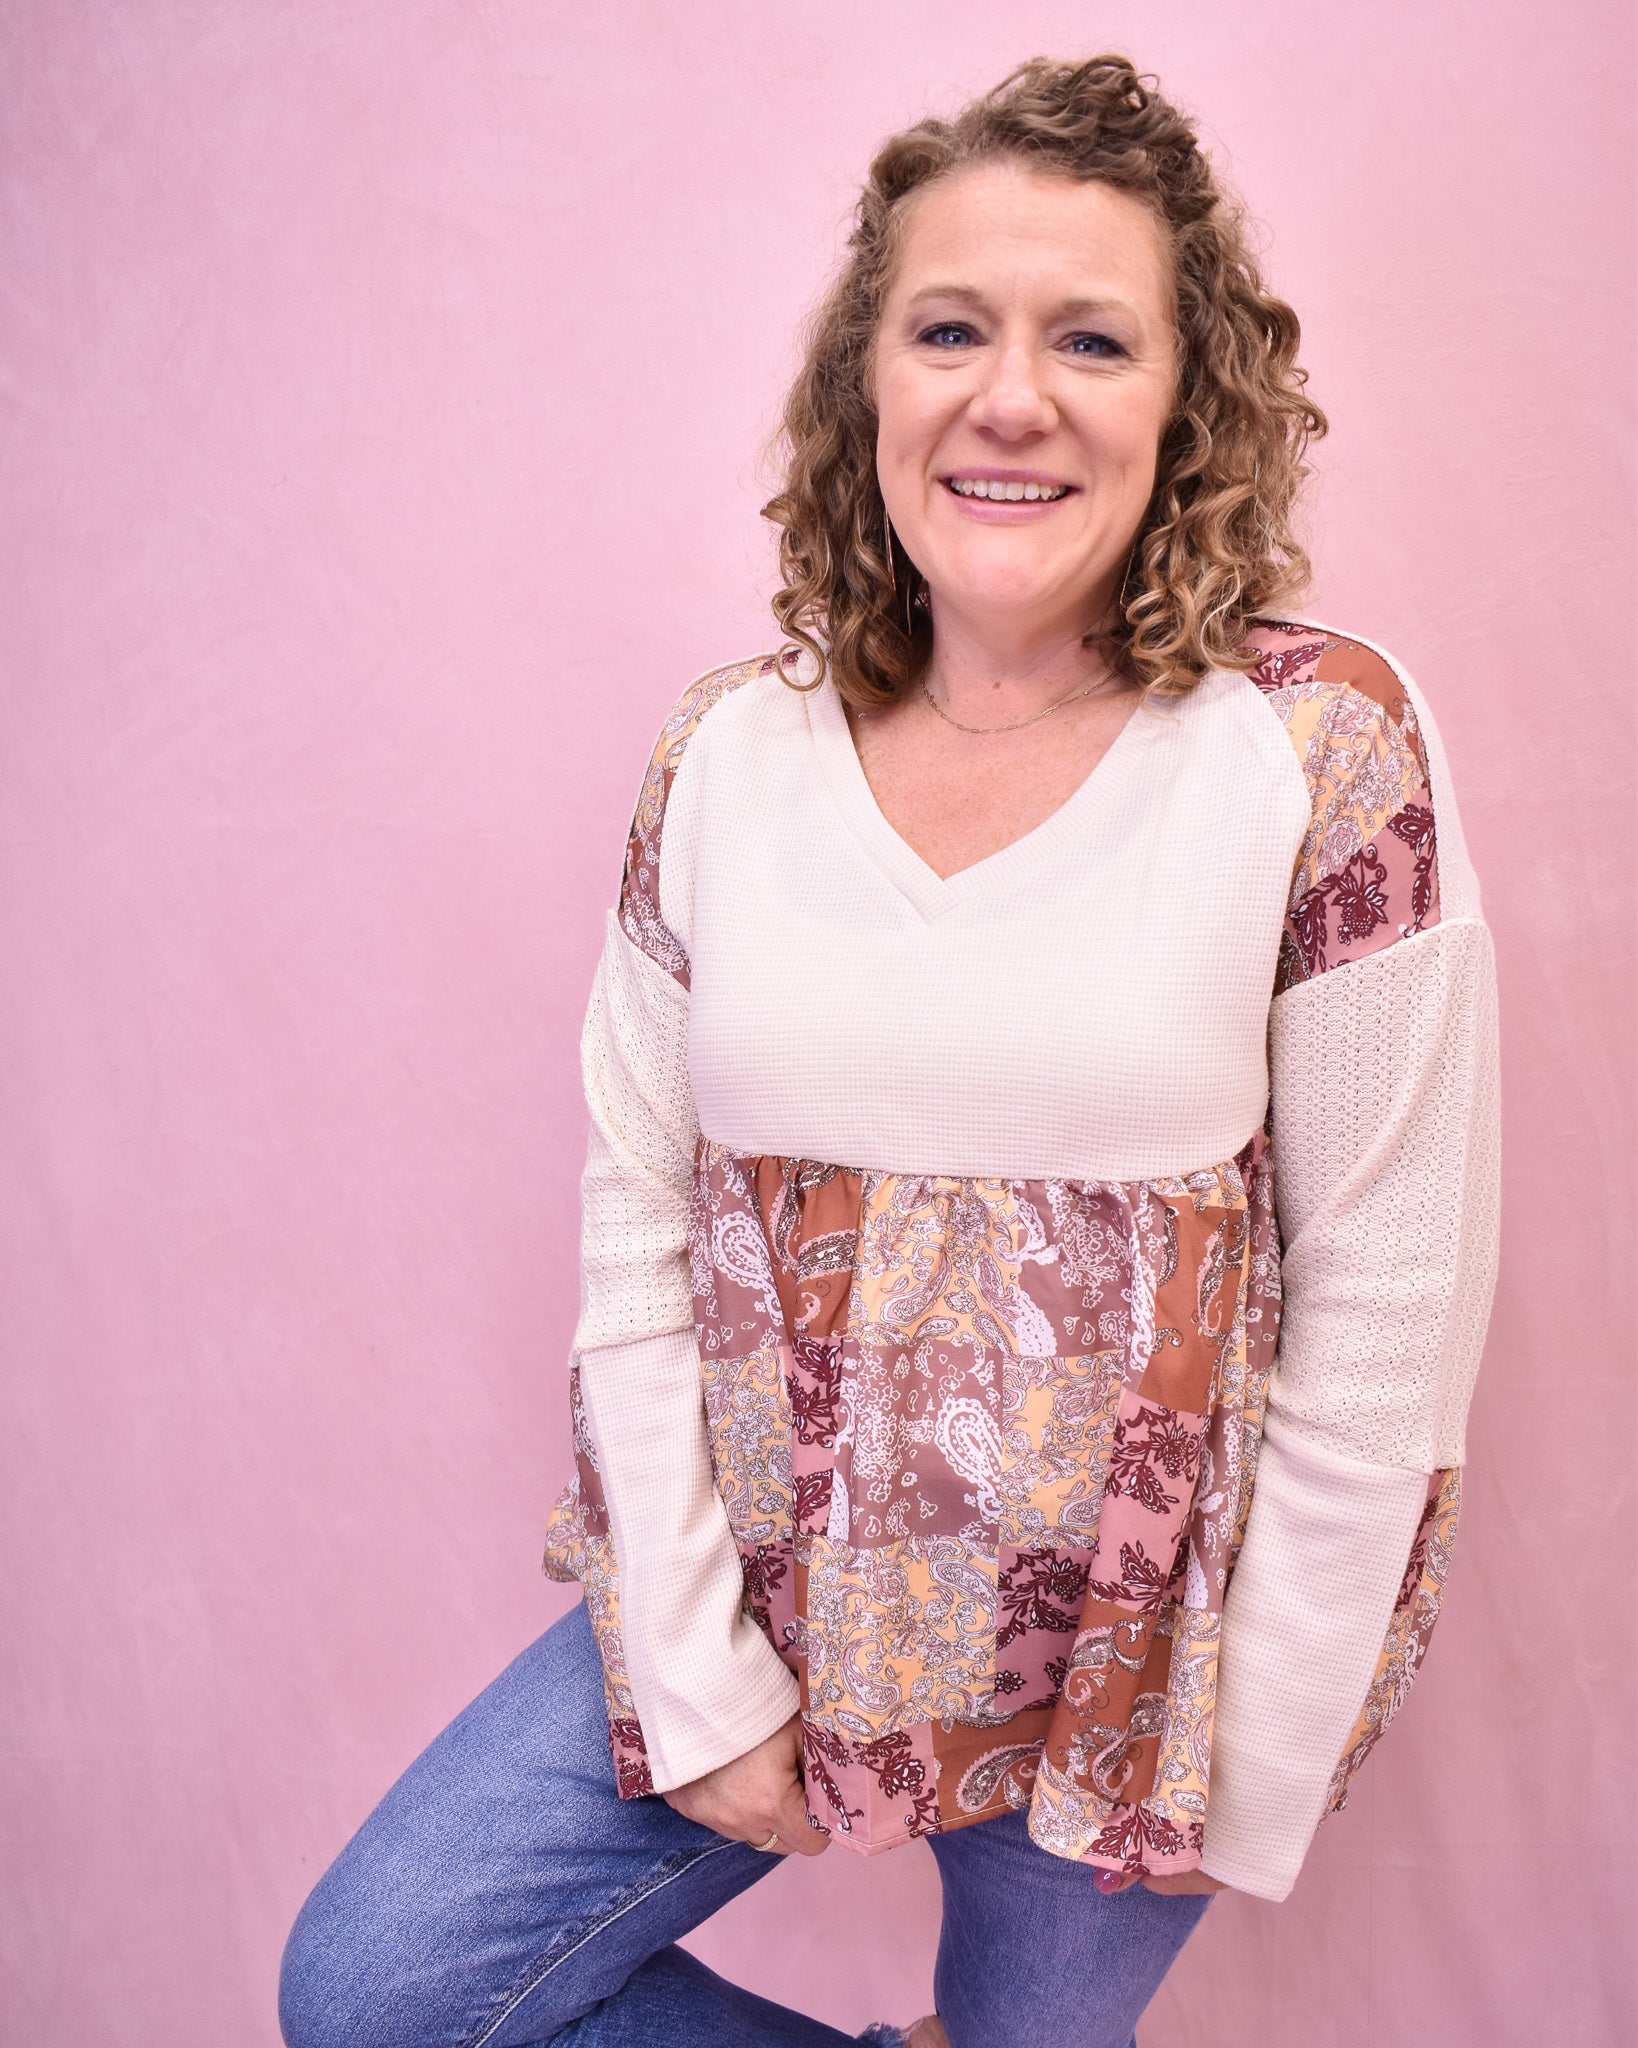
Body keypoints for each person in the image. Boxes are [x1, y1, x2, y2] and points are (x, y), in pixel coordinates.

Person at [279, 53, 1500, 2048]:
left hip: (1131, 1659)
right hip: (763, 1592)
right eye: (951, 328)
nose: (1010, 394)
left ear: (1186, 396)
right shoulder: (729, 751)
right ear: (872, 379)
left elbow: (1394, 1307)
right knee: (376, 1988)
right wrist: (686, 1669)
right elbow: (632, 1227)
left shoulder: (1316, 743)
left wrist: (1247, 1765)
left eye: (1090, 337)